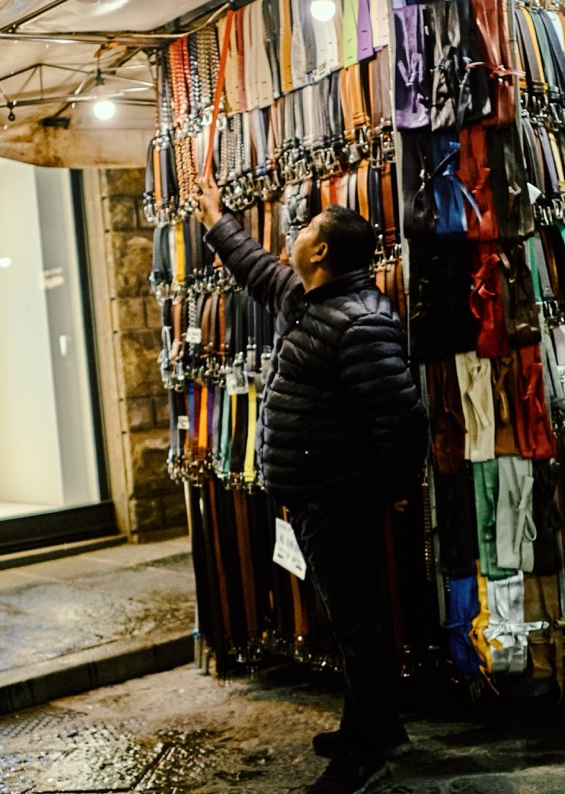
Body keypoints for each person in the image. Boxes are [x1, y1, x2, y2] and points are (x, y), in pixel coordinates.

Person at [195, 174, 429, 794]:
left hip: (341, 493)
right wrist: (215, 219)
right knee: (354, 616)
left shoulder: (360, 321)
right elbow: (255, 269)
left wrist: (399, 484)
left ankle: (367, 749)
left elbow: (402, 414)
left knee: (357, 622)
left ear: (321, 251)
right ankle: (376, 727)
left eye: (304, 232)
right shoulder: (307, 301)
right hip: (318, 491)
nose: (292, 240)